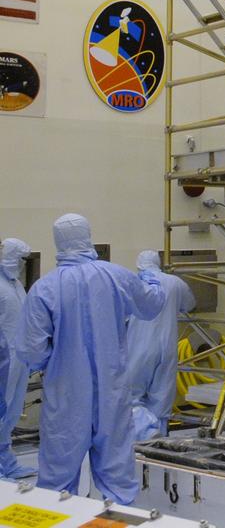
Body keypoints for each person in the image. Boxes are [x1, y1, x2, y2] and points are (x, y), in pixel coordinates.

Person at [18, 214, 166, 504]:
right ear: (88, 236)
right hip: (112, 393)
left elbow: (30, 350)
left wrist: (56, 361)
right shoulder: (116, 276)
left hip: (66, 396)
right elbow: (151, 306)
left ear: (57, 242)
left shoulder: (45, 289)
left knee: (56, 481)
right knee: (117, 477)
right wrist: (151, 276)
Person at [123, 250, 196, 437]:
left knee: (131, 397)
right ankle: (158, 442)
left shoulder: (132, 282)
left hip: (138, 348)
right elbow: (190, 304)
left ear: (139, 264)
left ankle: (144, 435)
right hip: (167, 348)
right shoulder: (175, 283)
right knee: (161, 400)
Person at [0, 238, 33, 478]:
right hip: (3, 359)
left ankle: (6, 462)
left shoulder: (16, 286)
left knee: (11, 411)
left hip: (18, 359)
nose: (23, 264)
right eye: (20, 259)